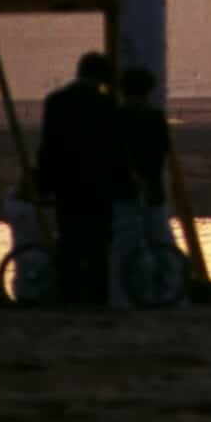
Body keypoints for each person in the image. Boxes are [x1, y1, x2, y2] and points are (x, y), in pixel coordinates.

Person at [36, 51, 127, 305]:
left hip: (66, 183)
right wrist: (123, 184)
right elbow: (114, 150)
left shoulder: (56, 101)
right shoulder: (105, 104)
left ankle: (69, 295)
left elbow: (48, 147)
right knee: (98, 244)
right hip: (98, 184)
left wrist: (44, 182)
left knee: (69, 239)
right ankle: (98, 297)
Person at [111, 67, 176, 308]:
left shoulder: (115, 119)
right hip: (152, 189)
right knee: (160, 241)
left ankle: (124, 297)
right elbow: (161, 153)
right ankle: (167, 291)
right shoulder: (155, 118)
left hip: (123, 190)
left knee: (124, 246)